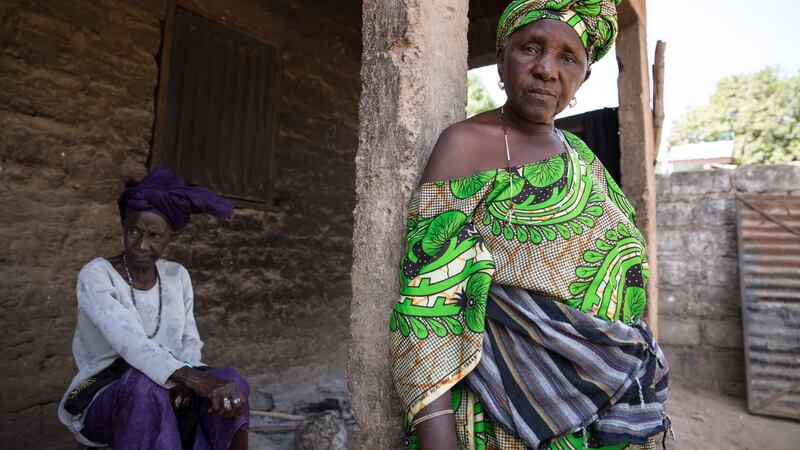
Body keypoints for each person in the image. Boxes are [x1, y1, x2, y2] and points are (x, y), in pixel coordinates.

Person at [390, 1, 671, 449]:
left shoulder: (583, 158)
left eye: (567, 58)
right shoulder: (465, 146)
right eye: (531, 48)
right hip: (507, 417)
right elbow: (428, 305)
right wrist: (436, 436)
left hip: (602, 406)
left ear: (583, 76)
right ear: (503, 58)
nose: (545, 69)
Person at [58, 165, 250, 450]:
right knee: (144, 386)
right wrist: (197, 381)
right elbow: (130, 343)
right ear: (124, 226)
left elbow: (189, 341)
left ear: (172, 237)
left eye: (154, 236)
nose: (141, 244)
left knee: (232, 381)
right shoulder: (97, 275)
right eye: (134, 230)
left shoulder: (176, 276)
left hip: (174, 385)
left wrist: (195, 382)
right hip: (105, 390)